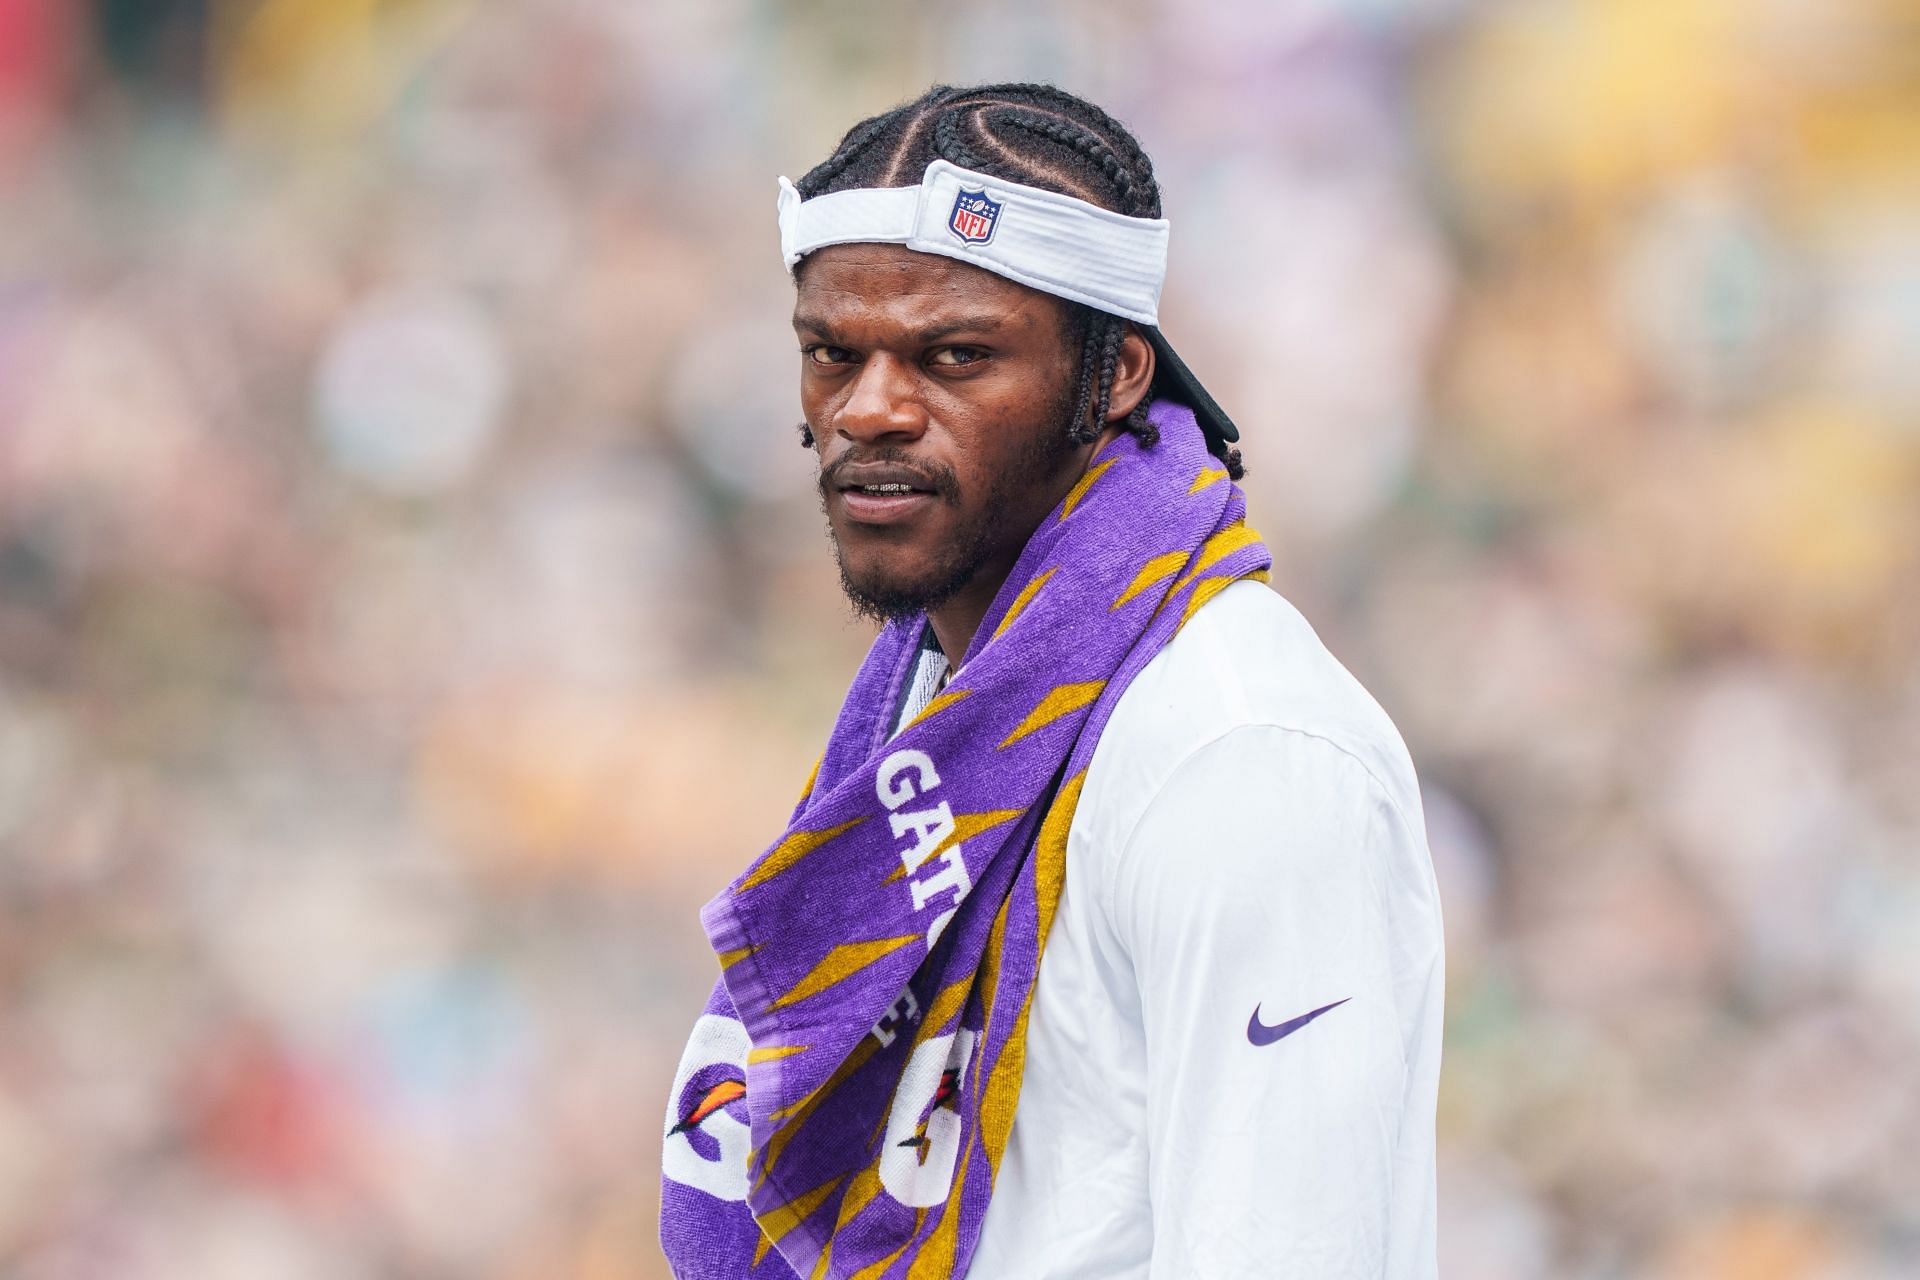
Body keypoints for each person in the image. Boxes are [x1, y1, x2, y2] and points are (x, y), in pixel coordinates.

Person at [659, 83, 1443, 1280]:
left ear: (1115, 371)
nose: (868, 408)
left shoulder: (1236, 747)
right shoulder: (947, 694)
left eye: (954, 354)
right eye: (832, 353)